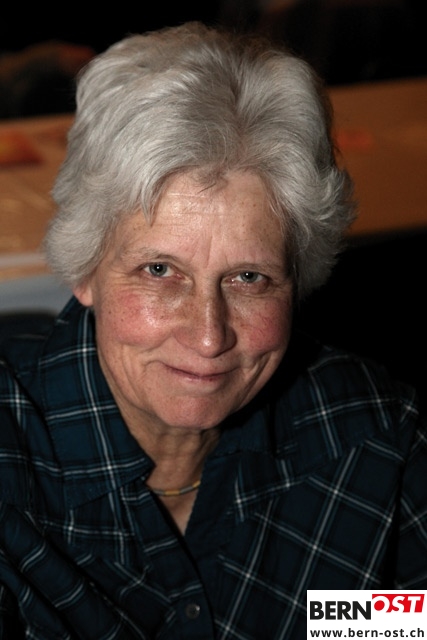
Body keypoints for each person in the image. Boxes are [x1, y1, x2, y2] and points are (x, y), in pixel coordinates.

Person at [0, 21, 426, 640]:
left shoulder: (371, 445)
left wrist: (358, 625)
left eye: (249, 278)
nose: (208, 337)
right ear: (84, 269)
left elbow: (402, 624)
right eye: (159, 270)